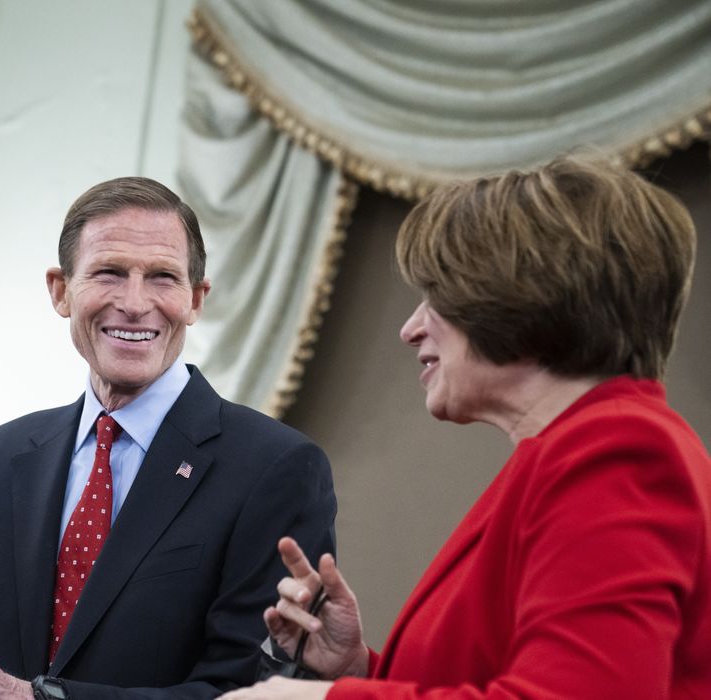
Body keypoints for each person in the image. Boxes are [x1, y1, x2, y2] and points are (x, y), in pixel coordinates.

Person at [224, 156, 711, 699]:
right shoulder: (570, 450)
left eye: (438, 296)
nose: (410, 329)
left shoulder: (619, 451)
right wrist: (355, 669)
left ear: (524, 298)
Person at [0, 177, 337, 700]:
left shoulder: (275, 467)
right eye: (109, 273)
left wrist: (26, 698)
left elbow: (246, 692)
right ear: (60, 291)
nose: (134, 302)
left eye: (162, 277)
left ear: (196, 300)